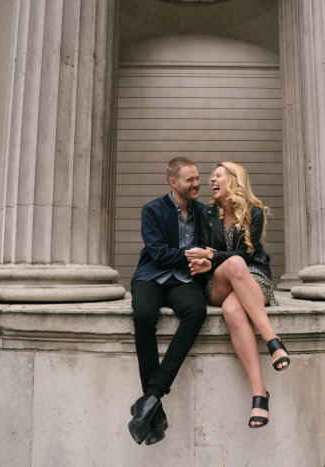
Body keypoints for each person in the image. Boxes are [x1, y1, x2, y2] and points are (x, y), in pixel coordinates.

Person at [187, 162, 290, 428]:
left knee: (233, 310)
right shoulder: (206, 212)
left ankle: (259, 394)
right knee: (232, 265)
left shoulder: (254, 212)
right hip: (217, 281)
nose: (211, 180)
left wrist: (212, 254)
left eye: (218, 175)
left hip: (254, 276)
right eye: (212, 176)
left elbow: (247, 255)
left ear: (234, 180)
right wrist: (206, 261)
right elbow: (204, 249)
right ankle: (272, 339)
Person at [128, 157, 207, 445]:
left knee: (197, 311)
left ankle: (150, 399)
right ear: (173, 182)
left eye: (198, 178)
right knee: (145, 315)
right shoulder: (152, 210)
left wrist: (204, 255)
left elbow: (212, 250)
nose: (197, 183)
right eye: (190, 180)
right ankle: (155, 415)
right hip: (151, 276)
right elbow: (159, 254)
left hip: (184, 281)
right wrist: (195, 253)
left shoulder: (203, 213)